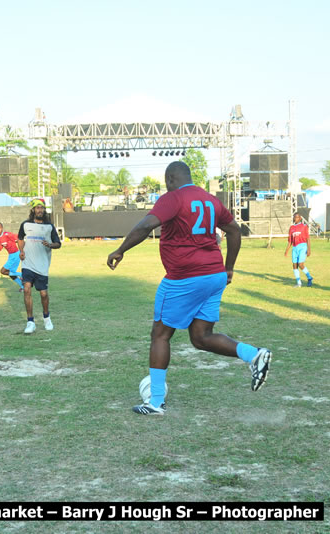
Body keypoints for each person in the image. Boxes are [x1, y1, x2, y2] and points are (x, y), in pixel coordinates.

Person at [107, 161, 271, 416]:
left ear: (171, 178)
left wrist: (120, 249)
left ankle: (156, 402)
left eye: (166, 182)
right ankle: (254, 354)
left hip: (184, 278)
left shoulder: (173, 198)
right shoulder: (210, 200)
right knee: (201, 336)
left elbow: (145, 225)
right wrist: (229, 268)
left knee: (160, 334)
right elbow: (234, 231)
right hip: (214, 275)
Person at [18, 199, 61, 334]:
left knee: (43, 294)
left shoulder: (49, 227)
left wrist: (50, 245)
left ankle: (47, 318)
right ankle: (30, 322)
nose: (40, 210)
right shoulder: (25, 224)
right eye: (37, 208)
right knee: (26, 289)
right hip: (28, 264)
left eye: (42, 208)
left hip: (42, 265)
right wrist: (21, 251)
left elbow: (58, 244)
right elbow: (20, 238)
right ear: (33, 210)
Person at [0, 222, 24, 292]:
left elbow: (19, 238)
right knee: (11, 274)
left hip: (16, 255)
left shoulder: (7, 234)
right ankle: (22, 286)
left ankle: (23, 275)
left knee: (2, 271)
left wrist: (21, 249)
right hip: (11, 256)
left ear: (2, 228)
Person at [284, 213, 313, 287]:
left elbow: (307, 239)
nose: (295, 219)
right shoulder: (292, 228)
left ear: (300, 218)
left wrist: (309, 249)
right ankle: (299, 283)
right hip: (295, 247)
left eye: (297, 217)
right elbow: (290, 241)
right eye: (294, 217)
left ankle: (309, 278)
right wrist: (286, 250)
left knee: (300, 264)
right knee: (294, 265)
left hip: (302, 246)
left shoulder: (304, 226)